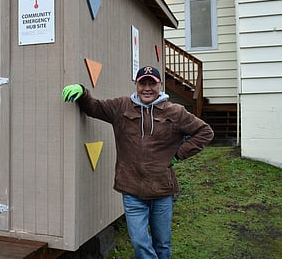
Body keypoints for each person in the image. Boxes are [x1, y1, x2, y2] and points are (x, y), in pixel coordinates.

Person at [62, 66, 214, 259]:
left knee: (162, 243)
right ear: (137, 85)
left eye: (152, 83)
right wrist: (82, 92)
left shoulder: (175, 112)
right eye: (143, 83)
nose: (147, 88)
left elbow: (205, 132)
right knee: (140, 243)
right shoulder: (121, 107)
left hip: (162, 191)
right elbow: (94, 107)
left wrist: (178, 154)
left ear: (160, 85)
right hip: (132, 190)